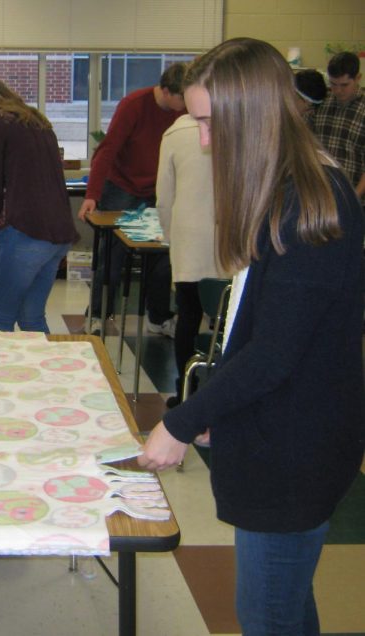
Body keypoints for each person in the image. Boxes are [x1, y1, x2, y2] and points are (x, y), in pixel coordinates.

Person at [139, 38, 364, 635]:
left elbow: (276, 352)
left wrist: (180, 421)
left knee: (266, 614)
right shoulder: (281, 189)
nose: (206, 141)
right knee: (286, 605)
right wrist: (222, 407)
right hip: (277, 428)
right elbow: (254, 332)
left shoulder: (312, 202)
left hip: (296, 450)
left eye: (212, 124)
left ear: (255, 113)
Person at [0, 67, 78, 332]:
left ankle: (0, 374)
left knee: (0, 320)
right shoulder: (34, 119)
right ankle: (44, 373)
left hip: (26, 234)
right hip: (57, 236)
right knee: (32, 317)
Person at [78, 63, 187, 336]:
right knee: (112, 258)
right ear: (165, 90)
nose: (186, 104)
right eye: (181, 98)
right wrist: (92, 195)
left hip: (158, 189)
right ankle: (98, 315)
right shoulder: (134, 105)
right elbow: (107, 149)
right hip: (122, 186)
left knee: (162, 258)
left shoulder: (184, 111)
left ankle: (158, 317)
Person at [155, 114, 222, 408]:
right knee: (226, 321)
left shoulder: (175, 133)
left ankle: (186, 391)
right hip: (230, 241)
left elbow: (163, 197)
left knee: (189, 317)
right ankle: (221, 392)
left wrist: (171, 236)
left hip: (190, 240)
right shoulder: (241, 121)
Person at [311, 51, 365, 200]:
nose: (338, 90)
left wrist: (353, 198)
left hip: (353, 197)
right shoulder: (321, 104)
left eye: (344, 85)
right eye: (333, 84)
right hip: (321, 195)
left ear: (358, 78)